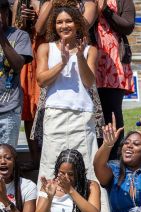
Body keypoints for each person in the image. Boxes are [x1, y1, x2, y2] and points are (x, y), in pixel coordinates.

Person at [34, 4, 100, 182]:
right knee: (51, 164)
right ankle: (47, 209)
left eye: (69, 21)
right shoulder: (45, 48)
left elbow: (89, 82)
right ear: (54, 26)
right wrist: (62, 63)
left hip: (82, 114)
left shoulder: (90, 50)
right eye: (59, 22)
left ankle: (91, 208)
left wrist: (78, 56)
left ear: (77, 23)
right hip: (55, 113)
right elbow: (41, 80)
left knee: (86, 166)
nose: (64, 26)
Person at [95, 0, 136, 160]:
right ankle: (96, 154)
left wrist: (106, 10)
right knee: (92, 111)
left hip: (114, 59)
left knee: (112, 109)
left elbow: (128, 26)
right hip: (91, 56)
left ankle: (114, 157)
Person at [34, 149, 101, 212]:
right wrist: (50, 197)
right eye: (61, 173)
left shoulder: (91, 186)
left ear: (79, 173)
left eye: (70, 174)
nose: (66, 177)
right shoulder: (49, 186)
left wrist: (70, 190)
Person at [12, 0, 42, 170]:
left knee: (41, 106)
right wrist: (23, 22)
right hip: (25, 52)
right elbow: (14, 29)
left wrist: (38, 12)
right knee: (28, 108)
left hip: (42, 49)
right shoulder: (19, 2)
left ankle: (44, 157)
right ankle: (34, 158)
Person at [0, 0, 32, 147]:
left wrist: (1, 36)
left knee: (5, 159)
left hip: (9, 111)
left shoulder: (20, 36)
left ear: (6, 13)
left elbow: (18, 65)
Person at [0, 144, 36, 212]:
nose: (2, 161)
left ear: (14, 162)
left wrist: (5, 200)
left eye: (8, 158)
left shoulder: (28, 186)